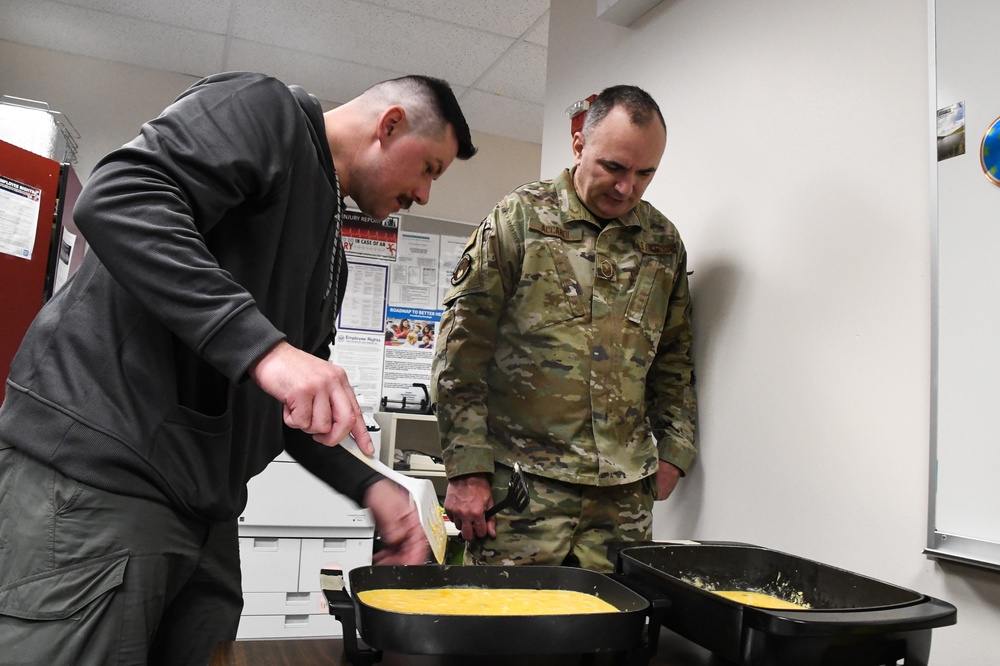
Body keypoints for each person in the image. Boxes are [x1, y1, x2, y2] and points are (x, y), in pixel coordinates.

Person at [0, 71, 476, 664]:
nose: (426, 195)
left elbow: (292, 409)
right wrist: (267, 350)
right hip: (101, 482)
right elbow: (120, 196)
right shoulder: (266, 111)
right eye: (429, 169)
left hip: (206, 513)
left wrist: (376, 488)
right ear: (390, 124)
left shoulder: (332, 256)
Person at [431, 85, 696, 573]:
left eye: (645, 174)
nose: (626, 188)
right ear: (579, 145)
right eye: (614, 167)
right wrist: (466, 469)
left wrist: (675, 451)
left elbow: (674, 356)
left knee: (611, 638)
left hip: (622, 502)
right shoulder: (521, 219)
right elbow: (461, 349)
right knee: (505, 637)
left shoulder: (663, 244)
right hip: (522, 492)